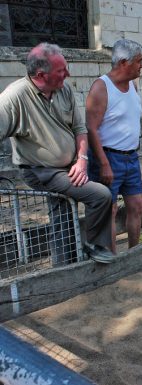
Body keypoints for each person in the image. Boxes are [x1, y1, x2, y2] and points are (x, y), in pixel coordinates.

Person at [0, 43, 114, 264]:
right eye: (62, 71)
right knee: (100, 195)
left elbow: (80, 129)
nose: (68, 74)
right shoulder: (14, 97)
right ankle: (95, 246)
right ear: (42, 75)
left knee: (62, 215)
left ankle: (64, 266)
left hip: (70, 165)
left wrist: (82, 159)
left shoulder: (64, 89)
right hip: (40, 171)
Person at [86, 39, 142, 253]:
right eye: (139, 61)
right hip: (109, 157)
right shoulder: (101, 87)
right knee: (108, 210)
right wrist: (103, 164)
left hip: (131, 157)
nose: (141, 66)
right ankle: (112, 256)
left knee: (137, 205)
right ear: (123, 62)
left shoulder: (133, 85)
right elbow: (91, 128)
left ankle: (134, 251)